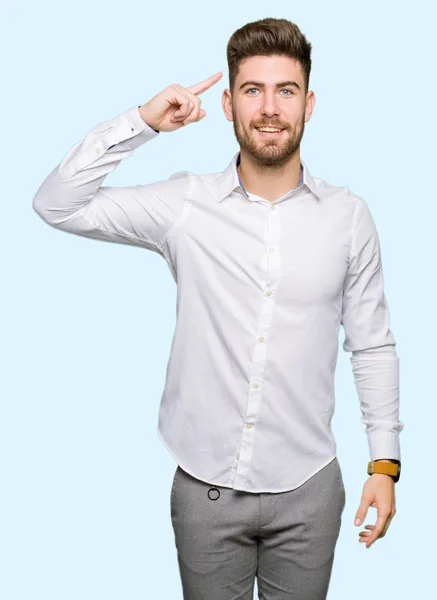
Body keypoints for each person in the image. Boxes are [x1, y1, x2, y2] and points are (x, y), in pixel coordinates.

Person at [32, 16, 403, 600]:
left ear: (309, 104)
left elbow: (372, 343)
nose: (270, 108)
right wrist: (140, 124)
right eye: (253, 90)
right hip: (203, 492)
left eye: (285, 91)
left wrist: (385, 465)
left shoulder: (348, 217)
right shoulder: (184, 204)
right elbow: (57, 204)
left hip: (309, 491)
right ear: (229, 105)